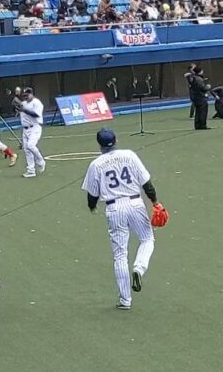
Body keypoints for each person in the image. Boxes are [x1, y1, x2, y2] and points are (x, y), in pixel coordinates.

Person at [81, 129, 161, 310]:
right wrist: (156, 202)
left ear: (99, 144)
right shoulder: (130, 155)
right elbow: (146, 183)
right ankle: (139, 268)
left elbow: (92, 194)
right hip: (135, 203)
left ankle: (125, 300)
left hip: (114, 207)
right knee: (147, 239)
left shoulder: (96, 164)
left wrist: (92, 207)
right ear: (116, 140)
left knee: (120, 255)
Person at [17, 88, 46, 178]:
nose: (25, 97)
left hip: (35, 127)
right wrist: (17, 107)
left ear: (32, 94)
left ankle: (40, 160)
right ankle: (31, 170)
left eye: (27, 95)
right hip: (25, 129)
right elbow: (18, 111)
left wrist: (24, 110)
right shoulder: (23, 103)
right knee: (26, 150)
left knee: (31, 145)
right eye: (24, 95)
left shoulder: (37, 103)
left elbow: (36, 114)